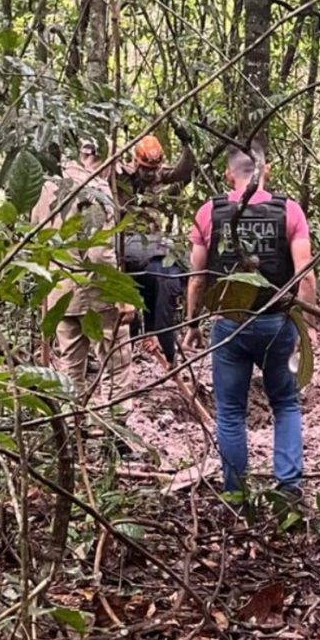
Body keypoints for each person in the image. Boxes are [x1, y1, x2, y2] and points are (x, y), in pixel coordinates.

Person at [183, 141, 318, 498]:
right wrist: (308, 328)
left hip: (229, 326)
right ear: (266, 170)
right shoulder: (289, 210)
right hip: (277, 323)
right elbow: (305, 275)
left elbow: (197, 277)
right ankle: (288, 487)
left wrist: (192, 324)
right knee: (286, 404)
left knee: (230, 412)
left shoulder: (208, 212)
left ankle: (235, 493)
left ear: (229, 175)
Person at [34, 139, 134, 424]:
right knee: (115, 361)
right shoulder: (96, 192)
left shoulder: (46, 187)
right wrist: (122, 296)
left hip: (58, 291)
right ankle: (115, 434)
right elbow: (100, 253)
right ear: (104, 159)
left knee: (71, 366)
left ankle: (71, 430)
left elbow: (36, 238)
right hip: (95, 293)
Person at [118, 132, 195, 362]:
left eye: (154, 169)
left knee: (156, 290)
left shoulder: (159, 175)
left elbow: (182, 172)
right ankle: (129, 344)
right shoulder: (122, 175)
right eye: (145, 169)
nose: (150, 175)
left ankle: (152, 339)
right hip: (125, 241)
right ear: (136, 162)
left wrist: (187, 143)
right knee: (127, 294)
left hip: (152, 243)